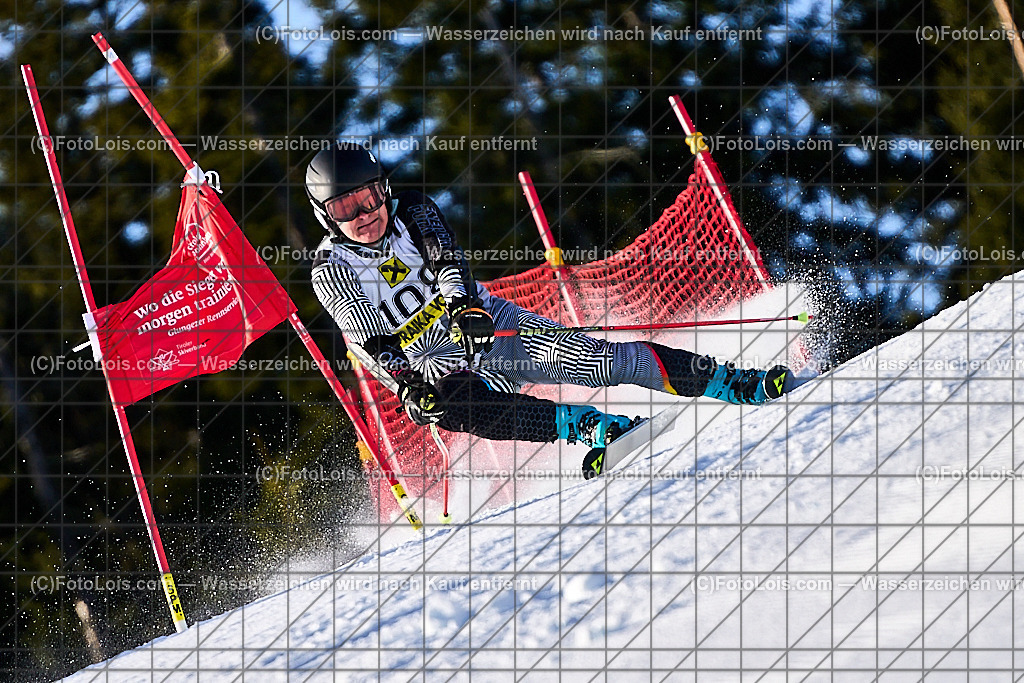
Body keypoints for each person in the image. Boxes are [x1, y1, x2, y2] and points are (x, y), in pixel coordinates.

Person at [306, 143, 791, 454]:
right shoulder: (331, 268)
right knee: (455, 409)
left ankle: (730, 381)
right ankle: (591, 428)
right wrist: (408, 385)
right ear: (325, 215)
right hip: (431, 366)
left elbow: (446, 259)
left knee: (598, 363)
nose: (364, 214)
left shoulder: (411, 209)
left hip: (487, 328)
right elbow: (370, 339)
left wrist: (463, 307)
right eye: (345, 207)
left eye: (369, 197)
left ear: (384, 189)